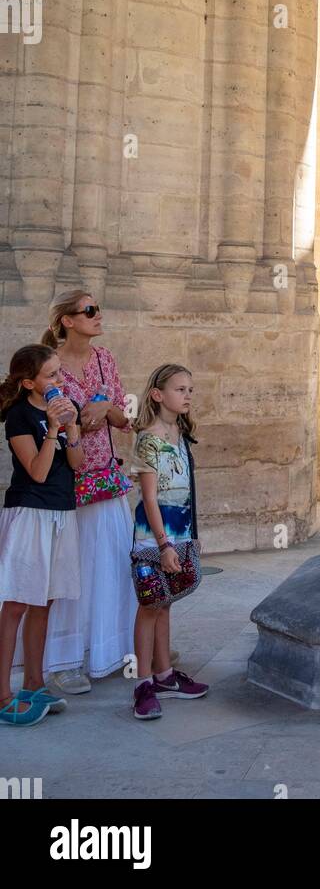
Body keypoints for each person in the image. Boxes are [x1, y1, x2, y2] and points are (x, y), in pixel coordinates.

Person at [20, 290, 138, 695]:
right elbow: (64, 420)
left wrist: (105, 410)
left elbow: (123, 418)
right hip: (67, 479)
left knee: (111, 566)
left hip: (107, 476)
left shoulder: (106, 360)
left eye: (98, 308)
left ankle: (116, 645)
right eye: (89, 310)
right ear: (68, 320)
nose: (98, 315)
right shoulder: (51, 366)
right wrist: (87, 417)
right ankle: (65, 659)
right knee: (73, 574)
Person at [0, 344, 83, 725]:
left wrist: (72, 428)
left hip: (61, 512)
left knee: (44, 602)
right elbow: (36, 470)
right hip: (30, 513)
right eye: (51, 376)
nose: (59, 381)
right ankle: (3, 695)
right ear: (30, 382)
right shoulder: (18, 416)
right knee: (16, 602)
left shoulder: (68, 409)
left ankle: (34, 682)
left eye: (60, 373)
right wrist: (52, 428)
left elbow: (76, 464)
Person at [128, 363, 208, 720]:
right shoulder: (149, 439)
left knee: (166, 603)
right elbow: (148, 499)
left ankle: (164, 675)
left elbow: (188, 489)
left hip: (180, 533)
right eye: (180, 389)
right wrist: (163, 545)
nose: (187, 395)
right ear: (158, 395)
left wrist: (192, 537)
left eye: (190, 389)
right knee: (149, 606)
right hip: (153, 539)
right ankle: (142, 683)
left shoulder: (181, 434)